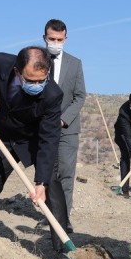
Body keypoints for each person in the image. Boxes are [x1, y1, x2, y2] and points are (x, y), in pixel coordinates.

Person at [0, 46, 72, 259]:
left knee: (52, 186)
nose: (37, 86)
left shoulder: (53, 95)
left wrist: (41, 182)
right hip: (5, 136)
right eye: (31, 80)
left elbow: (49, 140)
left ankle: (63, 248)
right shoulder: (0, 63)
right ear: (17, 71)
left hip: (35, 139)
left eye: (41, 81)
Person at [44, 19, 87, 215]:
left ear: (66, 38)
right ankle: (49, 214)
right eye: (51, 38)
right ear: (44, 37)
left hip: (67, 130)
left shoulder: (75, 64)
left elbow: (80, 96)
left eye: (59, 39)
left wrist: (63, 119)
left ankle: (63, 217)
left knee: (66, 174)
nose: (55, 42)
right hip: (43, 129)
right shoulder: (35, 59)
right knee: (46, 174)